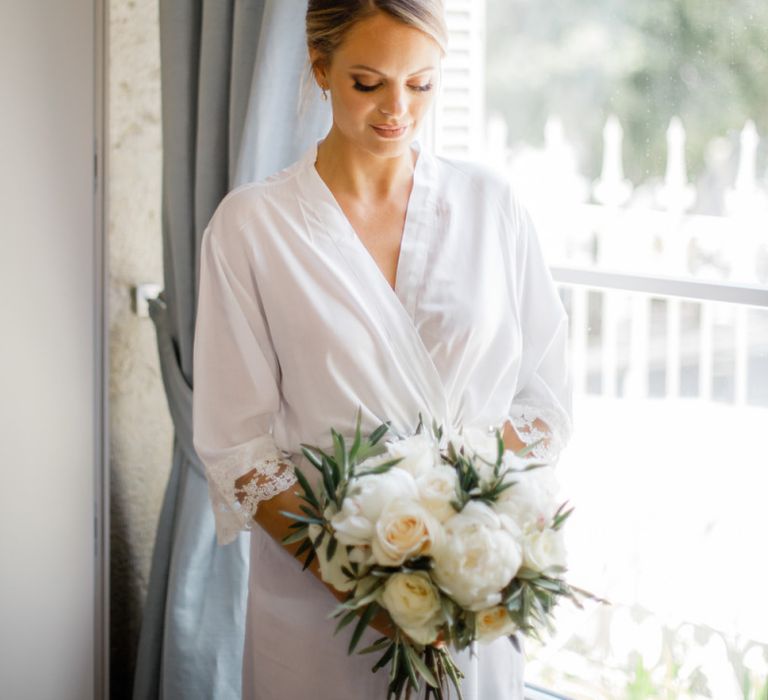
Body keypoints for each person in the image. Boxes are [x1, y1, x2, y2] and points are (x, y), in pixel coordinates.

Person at [192, 1, 573, 698]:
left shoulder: (492, 207)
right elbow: (237, 447)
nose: (398, 109)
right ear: (321, 69)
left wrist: (468, 537)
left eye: (421, 84)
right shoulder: (251, 228)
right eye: (369, 83)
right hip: (319, 602)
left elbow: (543, 398)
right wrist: (370, 579)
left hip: (468, 592)